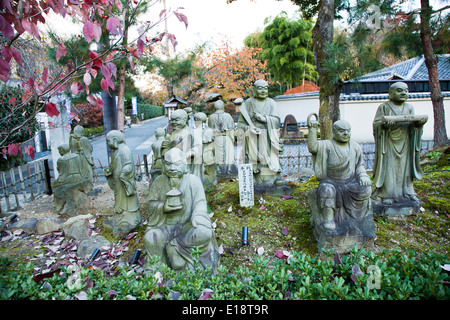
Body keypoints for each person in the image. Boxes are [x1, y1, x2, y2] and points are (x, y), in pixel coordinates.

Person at [143, 148, 220, 272]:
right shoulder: (159, 182)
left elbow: (200, 203)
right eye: (168, 164)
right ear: (163, 165)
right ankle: (157, 272)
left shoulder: (193, 181)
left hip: (187, 228)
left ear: (184, 163)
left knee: (205, 233)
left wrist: (197, 217)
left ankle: (174, 247)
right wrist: (163, 207)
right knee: (150, 238)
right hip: (165, 227)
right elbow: (151, 204)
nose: (172, 168)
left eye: (176, 164)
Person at [308, 118, 372, 232]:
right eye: (342, 131)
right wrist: (312, 130)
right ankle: (328, 219)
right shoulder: (327, 145)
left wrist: (363, 176)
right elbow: (313, 148)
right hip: (331, 181)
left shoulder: (355, 147)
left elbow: (360, 166)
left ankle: (358, 219)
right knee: (327, 190)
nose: (346, 133)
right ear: (334, 131)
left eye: (348, 131)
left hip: (350, 182)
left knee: (366, 189)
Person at [372, 82, 427, 206]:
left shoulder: (409, 108)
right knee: (389, 167)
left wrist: (418, 125)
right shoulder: (384, 107)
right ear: (390, 93)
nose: (403, 93)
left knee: (405, 168)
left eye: (406, 90)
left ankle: (407, 191)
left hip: (406, 142)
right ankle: (387, 193)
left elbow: (413, 125)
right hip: (389, 142)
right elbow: (376, 124)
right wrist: (384, 125)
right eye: (399, 90)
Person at [236, 79, 281, 184]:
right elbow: (240, 124)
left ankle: (272, 176)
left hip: (268, 136)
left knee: (269, 159)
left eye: (265, 88)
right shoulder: (248, 103)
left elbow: (277, 121)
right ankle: (254, 177)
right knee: (253, 160)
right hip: (252, 138)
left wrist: (264, 119)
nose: (263, 91)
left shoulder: (271, 103)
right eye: (260, 88)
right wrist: (249, 129)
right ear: (254, 89)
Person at [104, 130, 142, 235]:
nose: (107, 143)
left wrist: (124, 173)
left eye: (108, 141)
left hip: (123, 180)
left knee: (127, 200)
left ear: (115, 140)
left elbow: (128, 165)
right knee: (119, 199)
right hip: (118, 182)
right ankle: (119, 216)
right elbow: (113, 166)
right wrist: (109, 171)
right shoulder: (115, 152)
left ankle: (130, 219)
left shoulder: (125, 150)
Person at [208, 100, 235, 176]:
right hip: (227, 137)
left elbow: (210, 130)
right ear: (223, 106)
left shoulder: (211, 117)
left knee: (217, 154)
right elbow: (232, 128)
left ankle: (218, 170)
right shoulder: (228, 116)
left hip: (217, 138)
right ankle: (229, 169)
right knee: (229, 154)